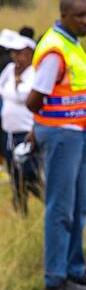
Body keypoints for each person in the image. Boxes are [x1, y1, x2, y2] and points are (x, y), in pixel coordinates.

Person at [26, 0, 86, 290]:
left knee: (79, 205)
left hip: (78, 133)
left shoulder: (71, 42)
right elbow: (34, 100)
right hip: (62, 135)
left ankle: (75, 269)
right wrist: (47, 125)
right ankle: (56, 278)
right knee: (60, 209)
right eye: (80, 15)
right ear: (64, 14)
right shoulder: (55, 50)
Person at [0, 30, 39, 214]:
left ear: (30, 53)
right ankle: (20, 212)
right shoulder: (9, 70)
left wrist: (16, 83)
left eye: (20, 53)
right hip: (8, 132)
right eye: (14, 53)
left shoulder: (34, 73)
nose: (16, 57)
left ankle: (49, 203)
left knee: (30, 174)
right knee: (14, 175)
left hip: (25, 132)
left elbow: (25, 95)